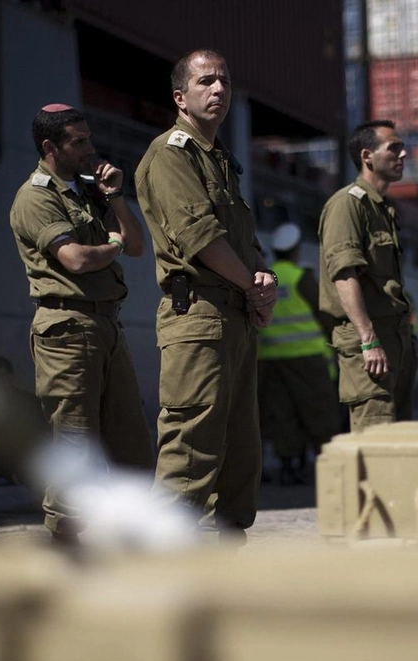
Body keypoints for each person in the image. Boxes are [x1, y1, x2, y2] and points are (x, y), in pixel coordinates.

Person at [135, 49, 278, 542]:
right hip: (198, 318)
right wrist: (249, 284)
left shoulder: (219, 161)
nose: (219, 90)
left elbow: (244, 242)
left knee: (240, 455)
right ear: (181, 97)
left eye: (225, 81)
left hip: (234, 316)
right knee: (190, 452)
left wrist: (264, 284)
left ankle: (225, 562)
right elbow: (200, 238)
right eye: (206, 82)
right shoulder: (170, 156)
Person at [8, 103, 154, 543]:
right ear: (50, 147)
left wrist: (114, 197)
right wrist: (110, 241)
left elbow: (137, 246)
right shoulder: (36, 196)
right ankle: (64, 542)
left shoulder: (87, 190)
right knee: (74, 446)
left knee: (132, 443)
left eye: (89, 138)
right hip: (66, 333)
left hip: (107, 327)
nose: (91, 148)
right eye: (80, 141)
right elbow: (75, 258)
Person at [318, 120, 418, 431]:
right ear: (367, 156)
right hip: (371, 341)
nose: (403, 155)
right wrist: (368, 339)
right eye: (394, 148)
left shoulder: (382, 209)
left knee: (399, 437)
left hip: (396, 339)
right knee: (376, 436)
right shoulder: (347, 205)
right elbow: (344, 275)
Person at [257, 223, 339, 485]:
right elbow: (323, 313)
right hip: (307, 359)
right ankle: (327, 465)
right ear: (294, 250)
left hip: (270, 359)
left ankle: (288, 465)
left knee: (282, 412)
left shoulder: (265, 278)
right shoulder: (301, 277)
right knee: (319, 411)